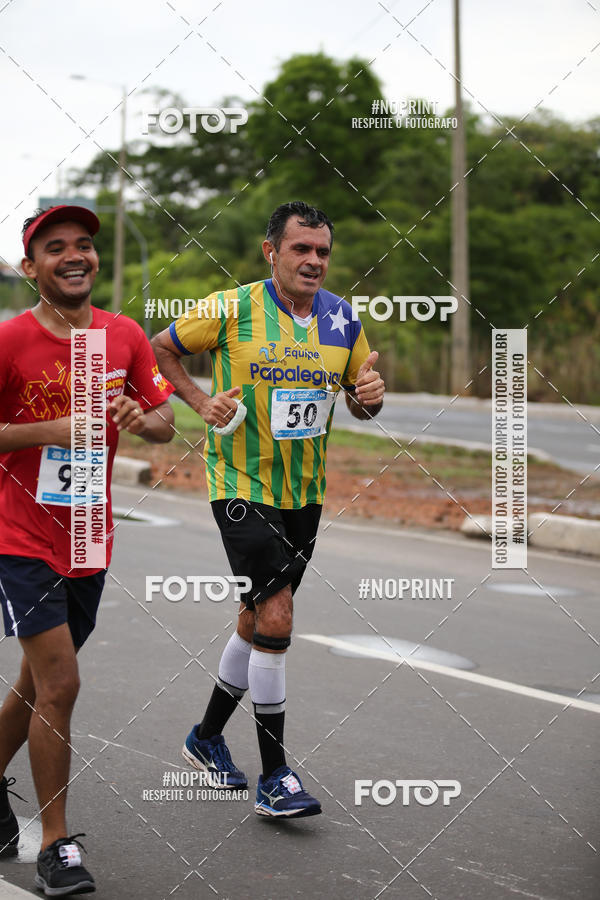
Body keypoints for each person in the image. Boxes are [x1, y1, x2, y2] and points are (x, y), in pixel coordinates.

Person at [152, 200, 385, 819]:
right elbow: (160, 349)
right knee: (277, 613)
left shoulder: (342, 318)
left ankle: (204, 737)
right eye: (300, 250)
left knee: (257, 618)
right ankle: (275, 775)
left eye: (322, 252)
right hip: (240, 484)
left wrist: (369, 396)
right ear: (271, 252)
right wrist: (200, 404)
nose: (313, 261)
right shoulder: (231, 308)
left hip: (304, 493)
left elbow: (362, 403)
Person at [0, 206, 174, 895]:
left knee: (35, 685)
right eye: (55, 249)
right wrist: (51, 428)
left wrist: (143, 417)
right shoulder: (11, 340)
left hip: (88, 534)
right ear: (30, 267)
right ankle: (55, 845)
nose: (74, 257)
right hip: (19, 537)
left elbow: (162, 421)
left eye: (83, 247)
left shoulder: (122, 334)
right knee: (62, 685)